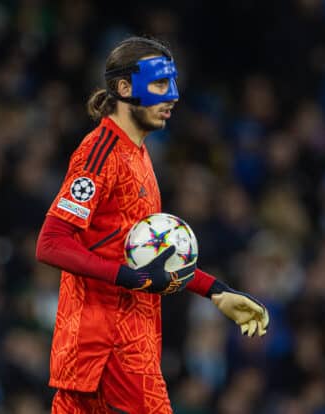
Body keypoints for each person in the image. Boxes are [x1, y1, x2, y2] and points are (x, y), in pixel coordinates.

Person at [35, 36, 269, 414]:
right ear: (124, 87)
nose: (173, 95)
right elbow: (51, 243)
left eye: (173, 83)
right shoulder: (100, 153)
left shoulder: (139, 155)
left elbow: (148, 259)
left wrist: (216, 292)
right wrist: (129, 279)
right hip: (110, 345)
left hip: (116, 345)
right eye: (160, 84)